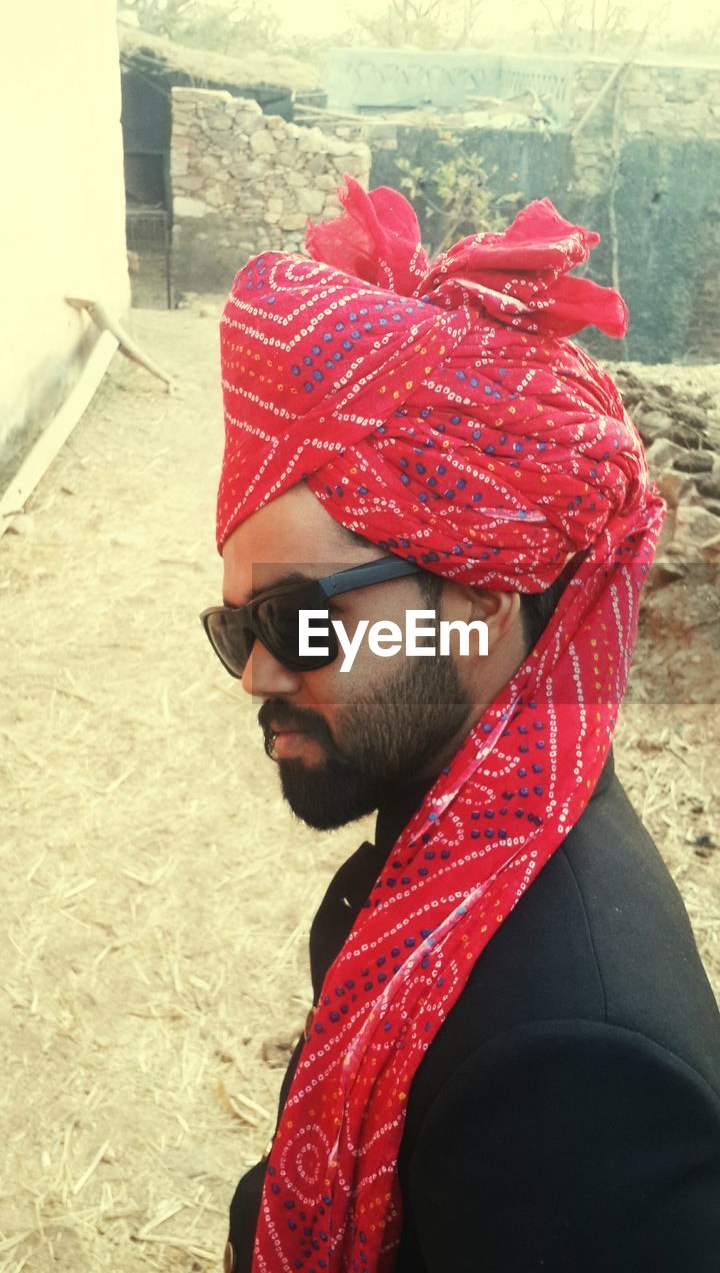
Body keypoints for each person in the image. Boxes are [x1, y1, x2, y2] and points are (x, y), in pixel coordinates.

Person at [200, 179, 720, 1273]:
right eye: (235, 622)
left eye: (296, 618)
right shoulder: (464, 824)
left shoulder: (576, 1078)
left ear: (485, 592)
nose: (254, 672)